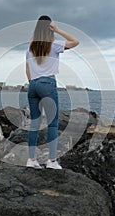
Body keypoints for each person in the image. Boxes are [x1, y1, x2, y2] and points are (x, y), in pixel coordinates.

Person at [25, 15, 79, 169]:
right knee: (53, 124)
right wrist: (58, 30)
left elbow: (27, 69)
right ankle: (52, 161)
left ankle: (31, 160)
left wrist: (33, 82)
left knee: (34, 123)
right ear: (50, 28)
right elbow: (75, 42)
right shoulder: (54, 44)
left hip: (33, 84)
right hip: (47, 83)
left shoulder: (30, 48)